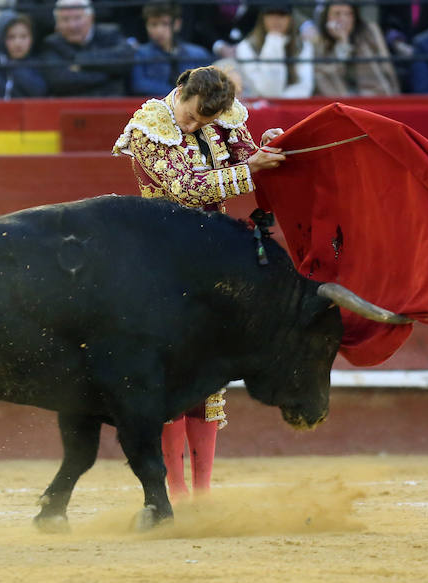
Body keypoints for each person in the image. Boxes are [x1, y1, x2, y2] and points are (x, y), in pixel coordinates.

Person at [112, 66, 286, 501]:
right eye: (190, 117)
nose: (192, 126)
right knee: (171, 378)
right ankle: (175, 491)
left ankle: (203, 493)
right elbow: (184, 186)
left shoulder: (223, 119)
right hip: (162, 261)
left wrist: (267, 148)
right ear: (181, 92)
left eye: (202, 123)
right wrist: (251, 169)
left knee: (208, 379)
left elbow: (247, 153)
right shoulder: (149, 125)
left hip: (211, 260)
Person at [39, 0, 135, 97]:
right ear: (57, 24)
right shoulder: (51, 43)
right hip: (71, 105)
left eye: (77, 18)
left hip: (111, 103)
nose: (72, 25)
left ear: (91, 18)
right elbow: (59, 81)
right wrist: (111, 74)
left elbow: (126, 61)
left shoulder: (110, 33)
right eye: (65, 19)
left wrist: (79, 60)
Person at [313, 1, 400, 96]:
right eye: (337, 14)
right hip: (340, 98)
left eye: (348, 14)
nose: (343, 19)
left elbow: (385, 67)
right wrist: (343, 43)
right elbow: (328, 76)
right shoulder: (319, 43)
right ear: (327, 18)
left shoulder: (369, 31)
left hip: (372, 96)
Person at [129, 0, 212, 97]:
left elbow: (209, 85)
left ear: (177, 24)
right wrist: (178, 92)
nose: (159, 31)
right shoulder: (140, 54)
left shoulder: (198, 54)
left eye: (165, 24)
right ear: (146, 26)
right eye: (153, 24)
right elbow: (139, 85)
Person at [233, 2, 314, 98]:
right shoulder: (246, 47)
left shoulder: (303, 46)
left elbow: (304, 87)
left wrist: (281, 102)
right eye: (270, 14)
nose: (276, 19)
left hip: (291, 107)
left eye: (282, 14)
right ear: (262, 18)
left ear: (290, 18)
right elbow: (268, 90)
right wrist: (273, 41)